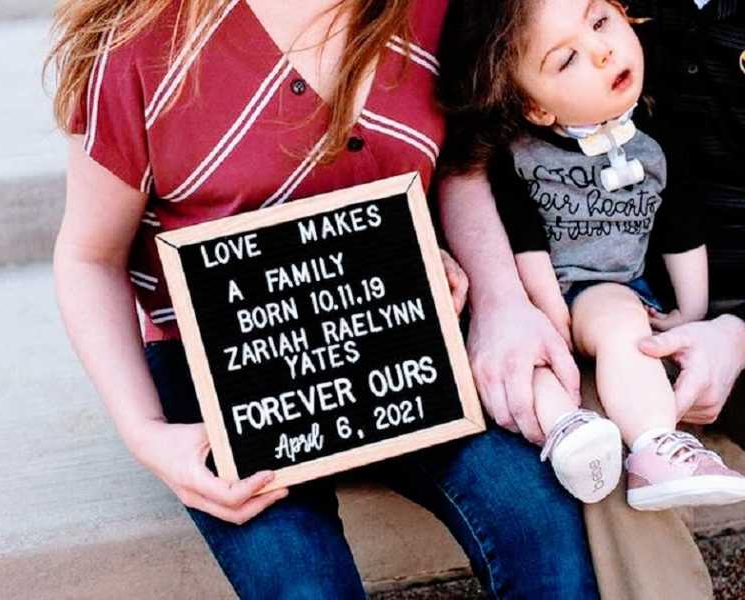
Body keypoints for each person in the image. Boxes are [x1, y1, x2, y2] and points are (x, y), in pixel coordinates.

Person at [47, 0, 599, 597]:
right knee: (301, 584)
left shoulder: (434, 13)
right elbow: (89, 257)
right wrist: (146, 432)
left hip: (402, 334)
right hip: (220, 366)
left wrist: (494, 299)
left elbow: (462, 167)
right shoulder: (138, 47)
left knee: (539, 524)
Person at [438, 0, 745, 597]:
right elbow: (465, 152)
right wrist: (504, 303)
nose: (599, 47)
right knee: (607, 474)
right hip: (615, 313)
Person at [438, 0, 745, 510]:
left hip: (609, 288)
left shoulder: (655, 138)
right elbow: (525, 240)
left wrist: (689, 312)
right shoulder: (522, 155)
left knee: (625, 329)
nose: (603, 51)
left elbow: (679, 226)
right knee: (530, 364)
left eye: (602, 22)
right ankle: (570, 434)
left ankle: (655, 449)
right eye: (567, 60)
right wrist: (550, 319)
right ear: (536, 107)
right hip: (530, 294)